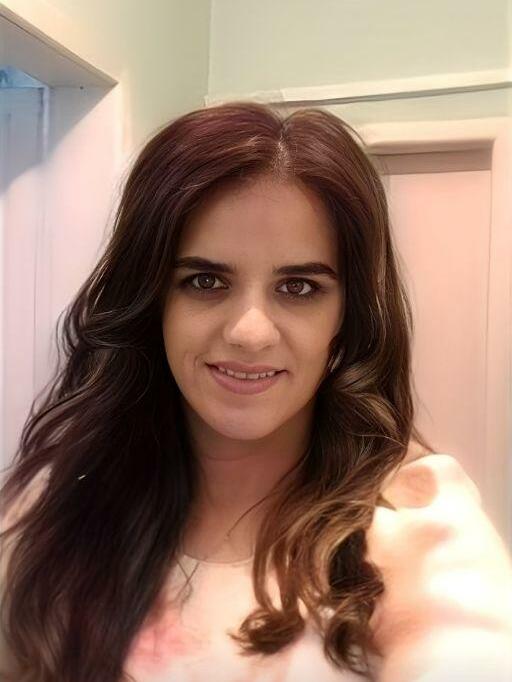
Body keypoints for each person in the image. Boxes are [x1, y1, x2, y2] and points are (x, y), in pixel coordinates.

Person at [1, 101, 511, 682]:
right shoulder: (57, 506)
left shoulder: (417, 527)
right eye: (205, 281)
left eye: (299, 287)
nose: (250, 332)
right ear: (152, 300)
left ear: (346, 316)